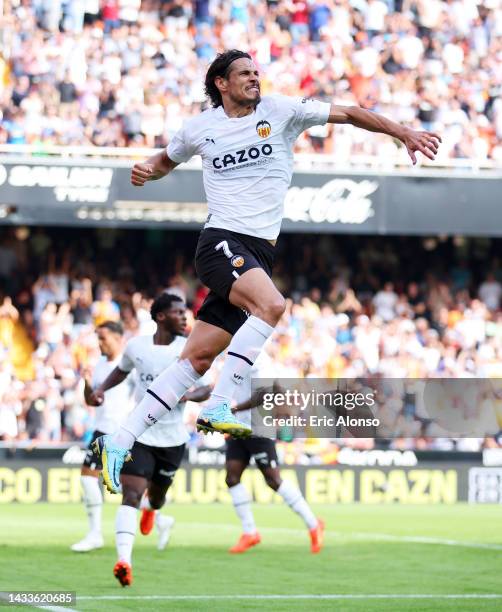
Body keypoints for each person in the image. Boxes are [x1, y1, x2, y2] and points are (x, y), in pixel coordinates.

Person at [94, 49, 441, 494]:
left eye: (257, 72)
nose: (255, 79)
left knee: (196, 360)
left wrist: (404, 133)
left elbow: (351, 113)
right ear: (221, 83)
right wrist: (147, 171)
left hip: (259, 251)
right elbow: (165, 160)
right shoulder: (200, 127)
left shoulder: (282, 110)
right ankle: (220, 404)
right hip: (221, 241)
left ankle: (118, 443)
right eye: (244, 74)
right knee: (273, 304)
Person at [87, 293, 211, 586]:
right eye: (178, 312)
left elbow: (206, 388)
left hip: (172, 439)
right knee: (130, 494)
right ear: (160, 317)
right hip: (140, 433)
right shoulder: (137, 347)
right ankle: (124, 561)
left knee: (155, 498)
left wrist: (188, 395)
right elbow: (122, 370)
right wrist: (102, 388)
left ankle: (152, 511)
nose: (184, 317)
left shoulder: (191, 347)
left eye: (185, 312)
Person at [226, 352, 324, 554]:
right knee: (232, 477)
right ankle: (250, 532)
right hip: (238, 427)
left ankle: (313, 524)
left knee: (273, 480)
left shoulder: (261, 360)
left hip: (259, 427)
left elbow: (263, 394)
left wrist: (234, 408)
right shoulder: (237, 356)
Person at [71, 321, 132, 552]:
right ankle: (160, 520)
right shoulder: (99, 366)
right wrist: (87, 382)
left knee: (89, 478)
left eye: (103, 338)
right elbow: (92, 401)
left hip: (119, 430)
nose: (99, 343)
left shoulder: (129, 365)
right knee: (123, 487)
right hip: (103, 427)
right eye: (98, 338)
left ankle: (95, 534)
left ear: (118, 338)